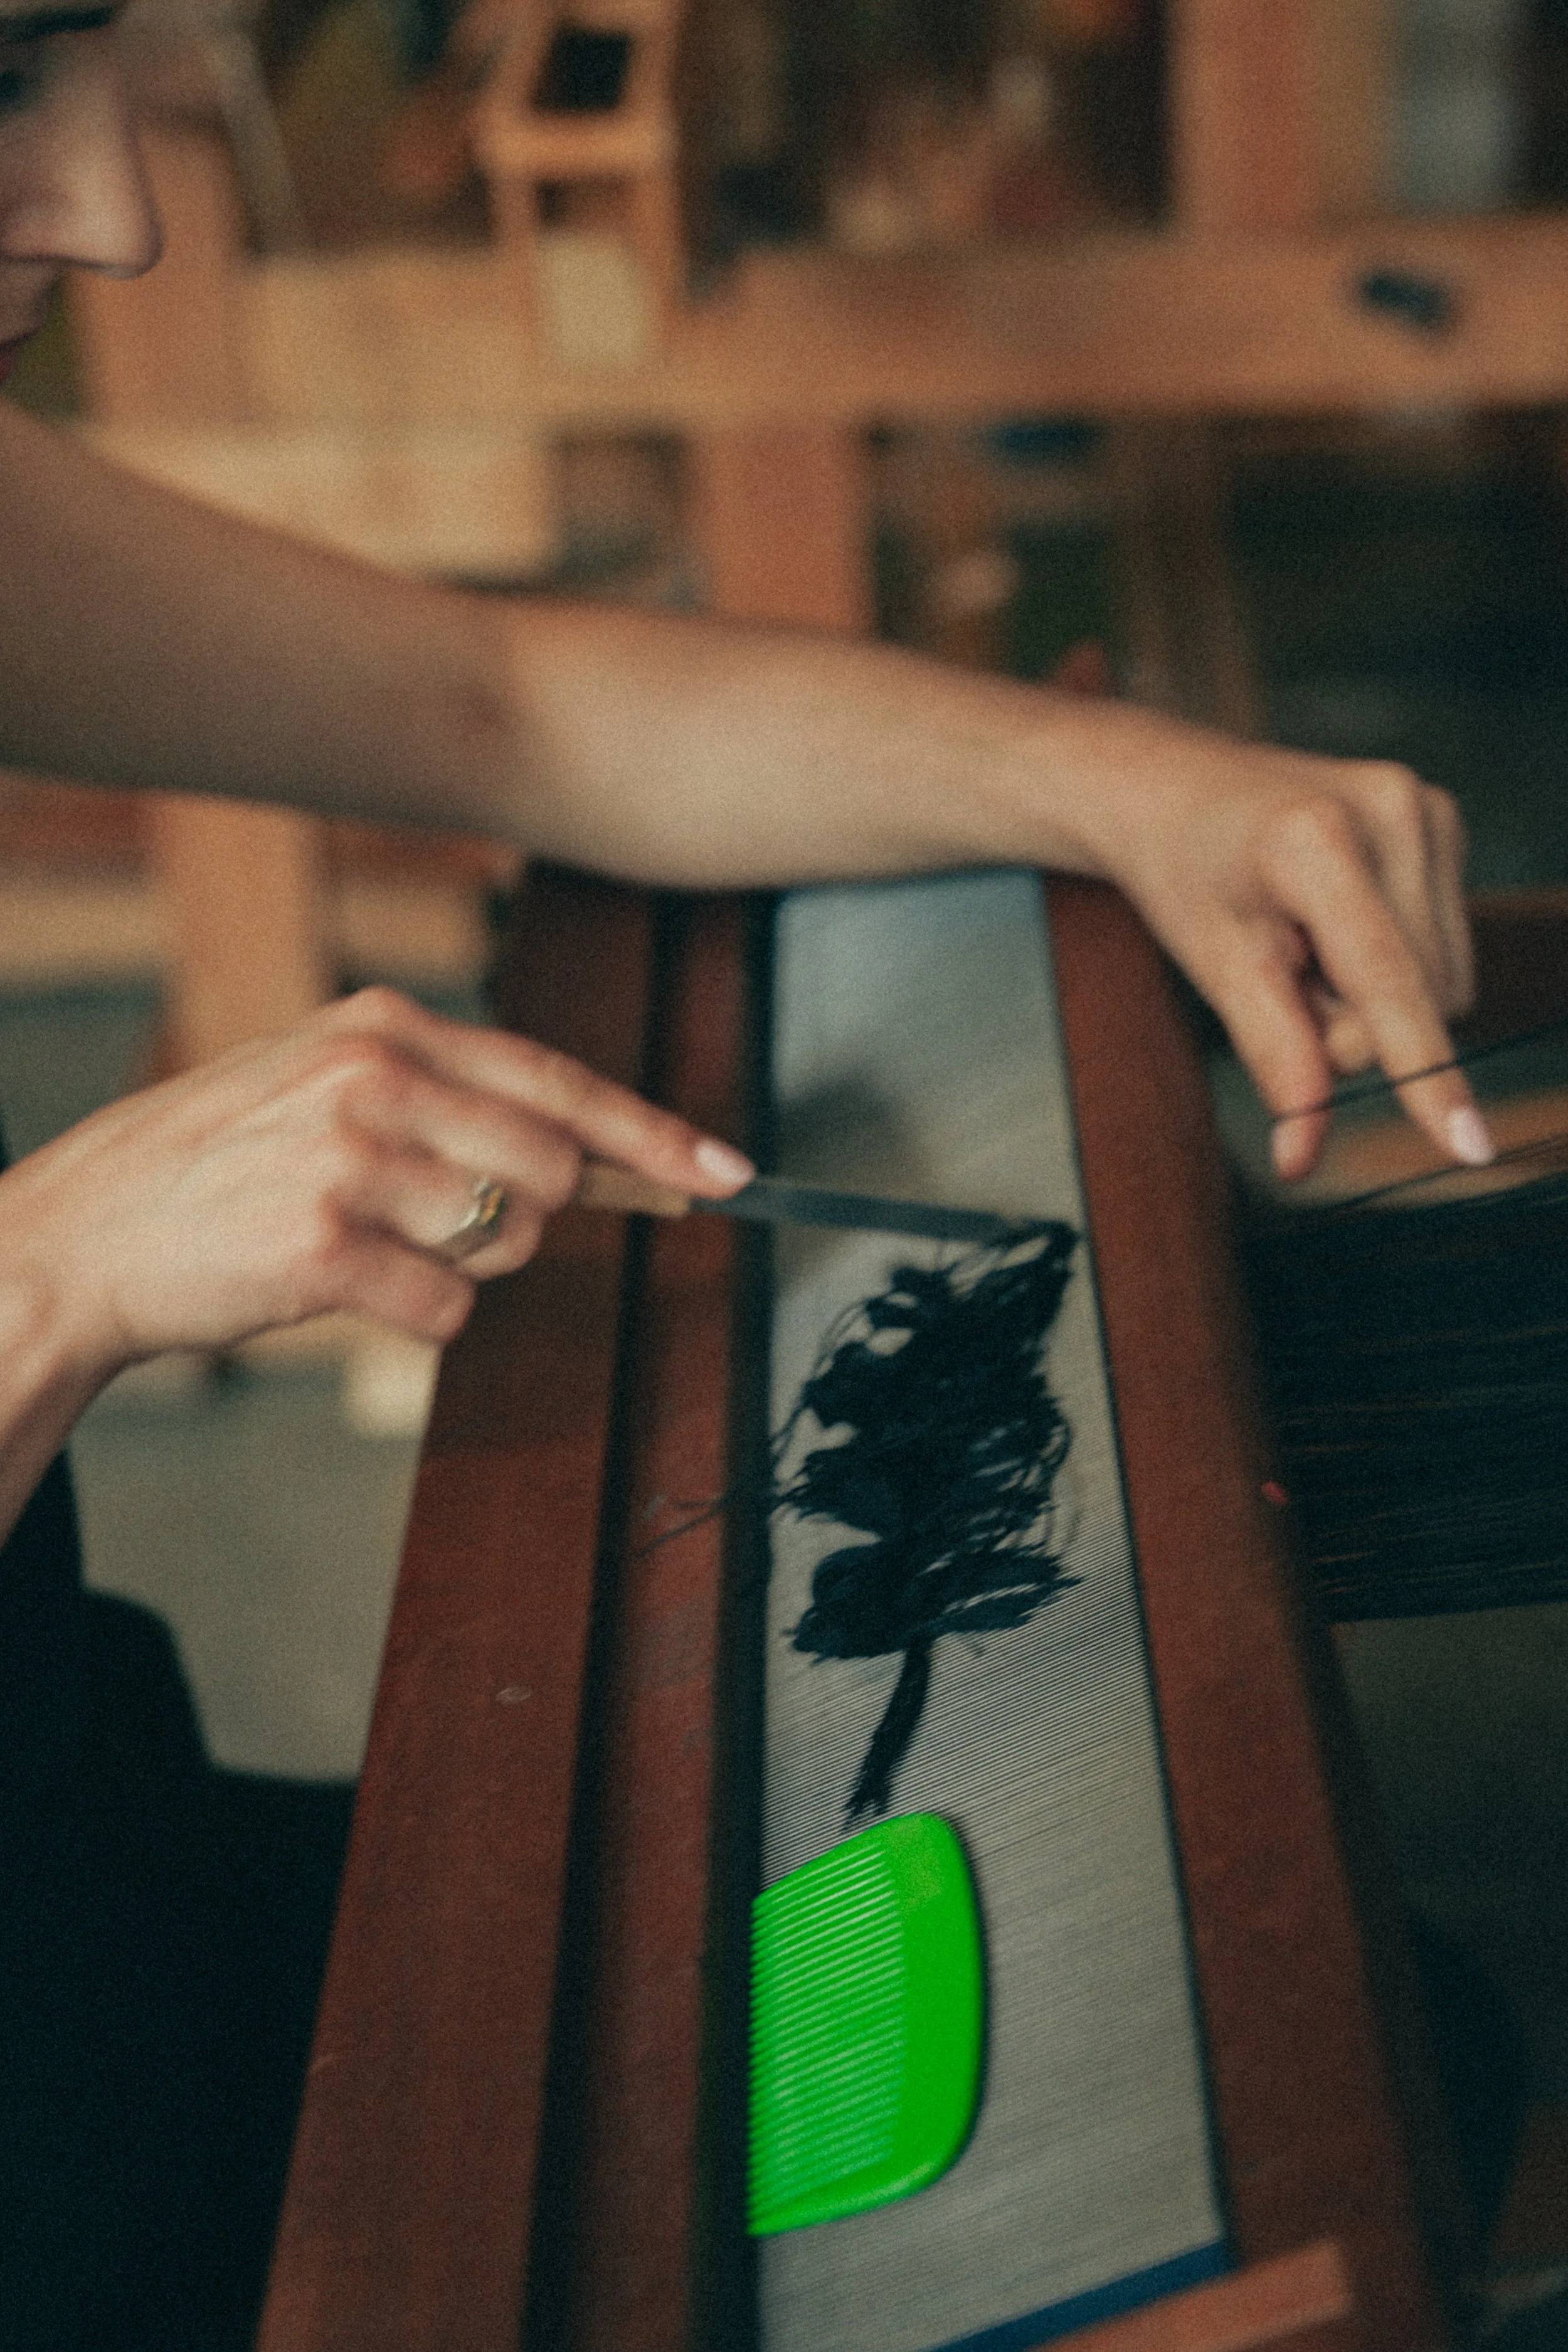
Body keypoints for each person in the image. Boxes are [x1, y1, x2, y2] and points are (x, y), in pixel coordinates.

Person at [0, 1, 1491, 2339]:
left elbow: (485, 708)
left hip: (100, 1914)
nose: (114, 215)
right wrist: (50, 1275)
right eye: (3, 78)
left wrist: (1125, 784)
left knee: (1389, 2037)